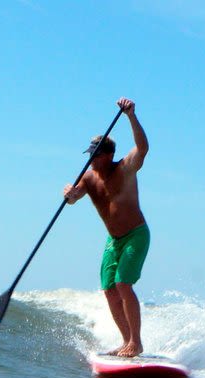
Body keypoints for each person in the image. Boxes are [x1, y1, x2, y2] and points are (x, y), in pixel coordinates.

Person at [63, 97, 150, 357]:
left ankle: (137, 342)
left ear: (109, 155)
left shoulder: (125, 168)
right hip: (113, 241)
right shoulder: (88, 177)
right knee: (110, 291)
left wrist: (131, 116)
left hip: (136, 235)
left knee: (124, 284)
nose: (91, 160)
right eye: (89, 155)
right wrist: (69, 192)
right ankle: (126, 342)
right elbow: (74, 197)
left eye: (96, 156)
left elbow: (143, 148)